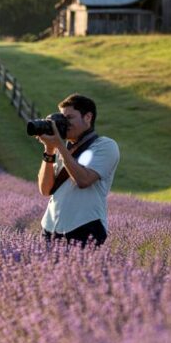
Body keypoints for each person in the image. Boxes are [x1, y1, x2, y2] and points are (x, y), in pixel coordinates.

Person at [36, 93, 120, 246]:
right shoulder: (65, 150)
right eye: (62, 118)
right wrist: (49, 149)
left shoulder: (105, 146)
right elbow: (45, 189)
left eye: (69, 118)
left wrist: (60, 147)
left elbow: (83, 180)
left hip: (85, 228)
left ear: (88, 117)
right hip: (50, 228)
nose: (64, 123)